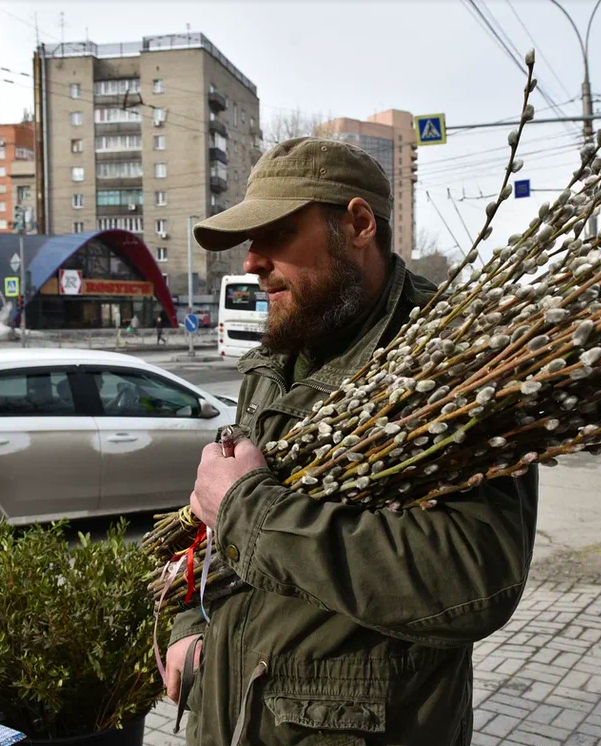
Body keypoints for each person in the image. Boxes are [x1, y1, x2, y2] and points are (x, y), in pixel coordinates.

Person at [163, 138, 539, 746]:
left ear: (358, 224)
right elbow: (218, 526)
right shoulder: (276, 355)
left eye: (275, 232)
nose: (252, 261)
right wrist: (189, 621)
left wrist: (250, 512)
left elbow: (477, 576)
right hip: (230, 714)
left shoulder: (455, 363)